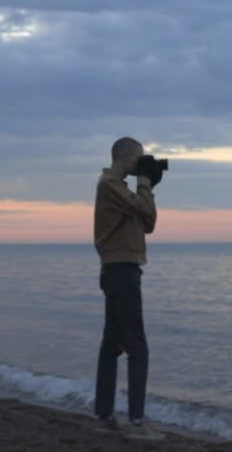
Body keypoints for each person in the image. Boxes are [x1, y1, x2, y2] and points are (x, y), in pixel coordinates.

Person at [93, 136, 160, 438]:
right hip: (121, 271)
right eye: (138, 158)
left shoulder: (121, 190)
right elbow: (142, 209)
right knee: (137, 346)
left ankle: (104, 414)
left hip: (119, 270)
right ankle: (136, 422)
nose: (140, 164)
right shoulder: (109, 185)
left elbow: (149, 222)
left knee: (112, 346)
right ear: (123, 157)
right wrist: (145, 183)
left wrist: (147, 185)